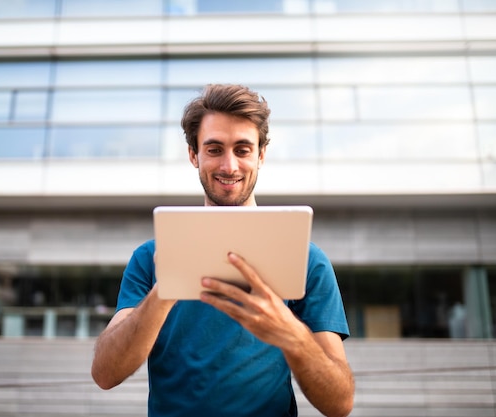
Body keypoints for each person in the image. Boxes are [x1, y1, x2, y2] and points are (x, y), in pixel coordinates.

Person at [91, 84, 354, 417]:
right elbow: (105, 374)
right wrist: (165, 290)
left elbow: (340, 403)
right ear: (193, 154)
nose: (229, 166)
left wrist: (291, 334)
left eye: (243, 150)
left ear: (261, 155)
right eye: (214, 149)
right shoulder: (150, 257)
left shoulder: (307, 258)